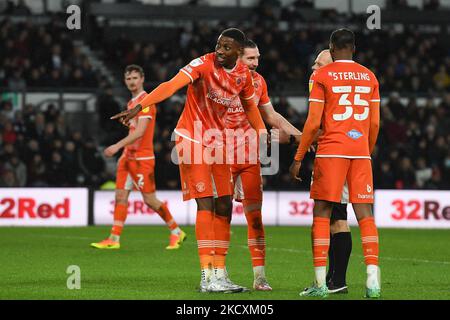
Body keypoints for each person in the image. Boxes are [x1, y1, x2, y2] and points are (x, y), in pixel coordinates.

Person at [111, 29, 267, 293]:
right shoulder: (202, 64)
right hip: (191, 139)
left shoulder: (243, 76)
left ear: (238, 53)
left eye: (227, 48)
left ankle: (220, 272)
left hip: (217, 142)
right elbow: (170, 85)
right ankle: (207, 276)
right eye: (219, 45)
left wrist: (262, 134)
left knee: (225, 206)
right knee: (205, 204)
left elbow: (251, 107)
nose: (219, 50)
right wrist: (141, 106)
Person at [289, 28, 381, 298]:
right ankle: (373, 284)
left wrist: (298, 157)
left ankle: (322, 284)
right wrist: (366, 149)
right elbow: (374, 122)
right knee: (365, 215)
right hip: (360, 152)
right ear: (354, 47)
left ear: (331, 47)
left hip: (331, 151)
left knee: (322, 213)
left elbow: (313, 122)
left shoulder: (322, 77)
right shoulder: (370, 76)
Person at [226, 39, 303, 291]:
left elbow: (271, 117)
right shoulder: (220, 79)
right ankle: (217, 273)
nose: (256, 63)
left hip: (250, 159)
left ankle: (259, 277)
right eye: (250, 58)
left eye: (258, 58)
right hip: (222, 158)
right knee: (220, 217)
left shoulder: (259, 82)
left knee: (255, 218)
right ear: (237, 57)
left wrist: (301, 135)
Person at [91, 64, 186, 250]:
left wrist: (117, 146)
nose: (132, 82)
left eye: (135, 78)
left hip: (142, 159)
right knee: (120, 197)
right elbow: (135, 128)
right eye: (128, 79)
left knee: (150, 200)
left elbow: (141, 132)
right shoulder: (131, 103)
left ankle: (176, 231)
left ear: (142, 79)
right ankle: (114, 239)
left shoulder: (146, 102)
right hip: (128, 157)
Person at [311, 49, 352, 294]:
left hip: (332, 157)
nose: (314, 68)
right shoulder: (347, 85)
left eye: (319, 64)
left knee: (334, 220)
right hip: (350, 153)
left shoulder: (326, 86)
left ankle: (334, 282)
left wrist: (300, 145)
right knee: (338, 217)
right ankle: (334, 280)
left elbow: (318, 125)